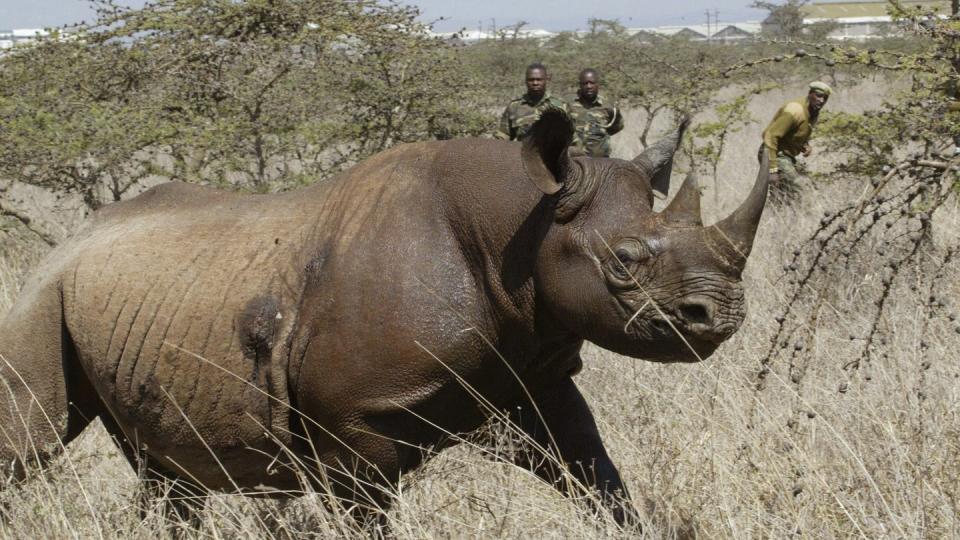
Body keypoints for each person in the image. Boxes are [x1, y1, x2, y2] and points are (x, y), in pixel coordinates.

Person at [760, 81, 832, 185]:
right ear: (810, 93)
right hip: (774, 154)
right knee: (797, 185)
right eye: (819, 96)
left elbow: (794, 133)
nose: (821, 100)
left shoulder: (813, 111)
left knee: (810, 184)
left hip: (787, 156)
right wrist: (773, 169)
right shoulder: (795, 111)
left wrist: (805, 145)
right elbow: (770, 135)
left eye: (825, 98)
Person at [495, 63, 568, 141]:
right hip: (520, 151)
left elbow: (570, 135)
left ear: (546, 80)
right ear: (526, 81)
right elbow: (504, 134)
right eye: (531, 80)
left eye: (539, 79)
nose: (535, 83)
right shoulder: (514, 106)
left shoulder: (560, 105)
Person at [567, 68, 624, 157]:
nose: (589, 86)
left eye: (592, 83)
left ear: (598, 84)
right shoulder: (567, 103)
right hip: (574, 161)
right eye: (585, 83)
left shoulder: (609, 106)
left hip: (600, 163)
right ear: (580, 85)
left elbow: (617, 126)